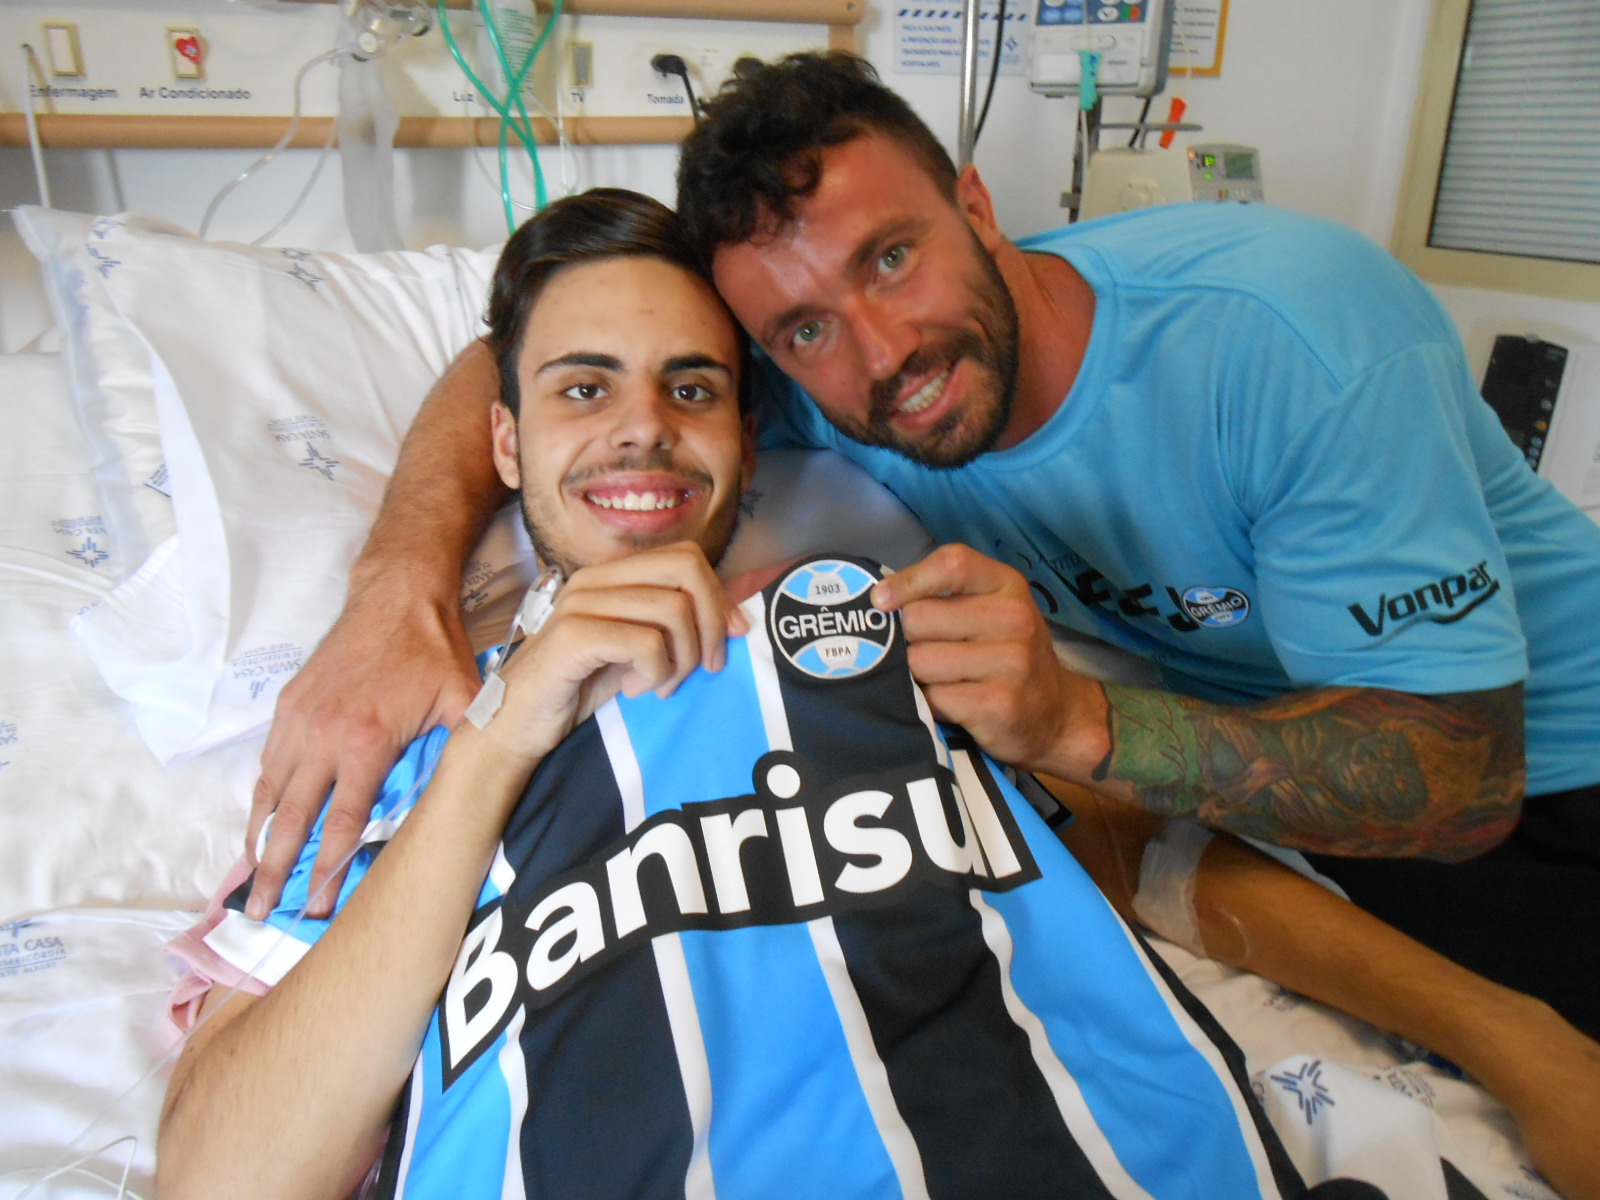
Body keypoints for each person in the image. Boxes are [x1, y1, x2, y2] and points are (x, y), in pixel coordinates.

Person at [244, 53, 1600, 1042]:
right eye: (804, 331)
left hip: (1546, 770)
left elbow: (1460, 783)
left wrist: (1082, 724)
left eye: (891, 257)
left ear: (977, 202)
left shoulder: (1285, 339)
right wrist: (395, 591)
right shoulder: (802, 376)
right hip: (1296, 775)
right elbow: (523, 350)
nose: (882, 354)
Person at [158, 186, 1328, 1200]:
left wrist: (1498, 1030)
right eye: (582, 391)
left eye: (690, 388)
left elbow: (1147, 862)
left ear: (748, 438)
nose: (642, 433)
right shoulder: (391, 743)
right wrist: (503, 732)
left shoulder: (878, 627)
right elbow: (222, 1177)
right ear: (503, 445)